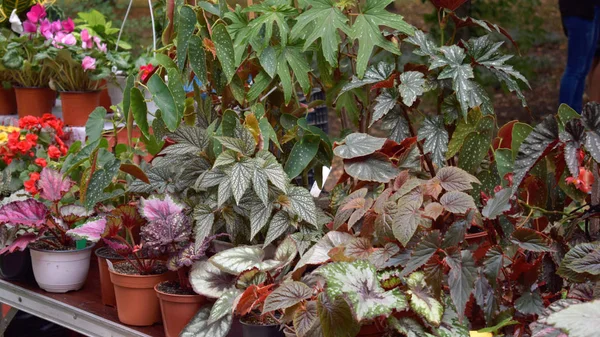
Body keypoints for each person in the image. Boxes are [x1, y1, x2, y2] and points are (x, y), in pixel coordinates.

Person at [559, 0, 600, 112]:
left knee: (582, 69)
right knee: (575, 69)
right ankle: (565, 117)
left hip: (589, 11)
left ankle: (575, 115)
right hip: (579, 11)